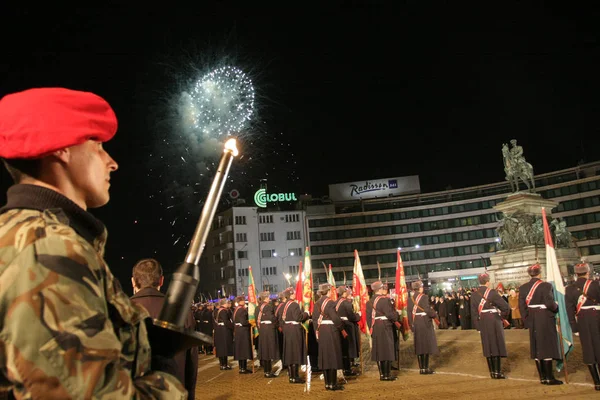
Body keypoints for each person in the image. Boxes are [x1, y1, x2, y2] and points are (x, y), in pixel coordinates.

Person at [0, 88, 187, 398]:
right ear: (62, 148)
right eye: (98, 145)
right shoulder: (48, 249)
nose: (111, 162)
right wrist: (165, 381)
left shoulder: (25, 236)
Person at [130, 258, 199, 399]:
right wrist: (190, 393)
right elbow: (192, 359)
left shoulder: (120, 311)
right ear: (161, 281)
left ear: (133, 281)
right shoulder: (182, 310)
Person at [518, 263, 563, 385]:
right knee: (547, 345)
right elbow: (549, 303)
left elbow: (522, 307)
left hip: (532, 317)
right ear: (540, 273)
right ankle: (549, 377)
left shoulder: (523, 288)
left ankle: (542, 377)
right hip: (544, 317)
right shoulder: (545, 285)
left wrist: (527, 320)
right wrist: (556, 307)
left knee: (536, 345)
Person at [566, 262, 600, 391]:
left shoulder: (570, 288)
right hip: (597, 316)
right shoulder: (596, 284)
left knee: (588, 348)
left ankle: (597, 382)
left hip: (582, 319)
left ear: (576, 274)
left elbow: (570, 310)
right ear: (587, 272)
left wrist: (574, 328)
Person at [470, 273, 509, 379]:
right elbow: (505, 307)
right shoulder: (492, 292)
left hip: (482, 320)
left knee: (487, 345)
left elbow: (473, 313)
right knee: (496, 344)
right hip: (493, 320)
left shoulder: (474, 295)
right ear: (488, 281)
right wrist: (502, 317)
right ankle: (497, 372)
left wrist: (478, 326)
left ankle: (492, 372)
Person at [313, 283, 347, 391]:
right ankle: (333, 384)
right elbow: (335, 319)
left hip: (321, 331)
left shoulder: (317, 303)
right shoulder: (330, 303)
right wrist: (341, 327)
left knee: (325, 358)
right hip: (331, 331)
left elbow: (314, 320)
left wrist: (317, 332)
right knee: (332, 357)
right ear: (328, 291)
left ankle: (327, 384)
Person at [366, 281, 401, 381]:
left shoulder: (369, 302)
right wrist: (397, 315)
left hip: (375, 327)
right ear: (380, 289)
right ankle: (386, 375)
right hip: (385, 326)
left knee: (378, 351)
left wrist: (371, 328)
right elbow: (390, 314)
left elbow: (368, 319)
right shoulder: (384, 300)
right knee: (386, 350)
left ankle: (381, 374)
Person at [407, 280, 438, 374]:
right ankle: (425, 367)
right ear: (420, 288)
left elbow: (409, 313)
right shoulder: (424, 297)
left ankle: (421, 368)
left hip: (416, 322)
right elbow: (427, 309)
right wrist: (434, 314)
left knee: (419, 345)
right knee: (426, 345)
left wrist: (411, 325)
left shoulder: (410, 299)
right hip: (424, 322)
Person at [280, 288, 310, 383]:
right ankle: (295, 376)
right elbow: (298, 318)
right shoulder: (294, 304)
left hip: (287, 329)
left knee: (289, 353)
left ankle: (291, 376)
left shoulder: (283, 305)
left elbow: (280, 319)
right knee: (295, 352)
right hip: (294, 330)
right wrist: (306, 313)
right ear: (291, 295)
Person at [335, 285, 361, 376]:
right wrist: (358, 316)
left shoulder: (336, 302)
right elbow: (351, 316)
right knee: (348, 348)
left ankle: (344, 367)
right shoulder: (346, 303)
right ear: (344, 293)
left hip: (340, 326)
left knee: (343, 348)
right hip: (347, 327)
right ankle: (347, 369)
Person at [255, 291, 279, 377]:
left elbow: (256, 320)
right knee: (269, 351)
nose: (269, 299)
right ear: (265, 298)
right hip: (269, 330)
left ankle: (266, 371)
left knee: (265, 351)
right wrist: (277, 324)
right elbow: (272, 318)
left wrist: (260, 330)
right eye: (268, 297)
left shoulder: (257, 307)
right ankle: (268, 372)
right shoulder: (268, 307)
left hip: (262, 330)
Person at [233, 296, 253, 374]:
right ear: (240, 301)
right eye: (243, 300)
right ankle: (243, 368)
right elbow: (243, 322)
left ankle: (241, 367)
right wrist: (250, 323)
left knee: (240, 350)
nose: (244, 301)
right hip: (242, 331)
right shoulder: (241, 310)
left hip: (238, 330)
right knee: (243, 350)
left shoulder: (236, 309)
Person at [213, 298, 234, 370]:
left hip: (219, 330)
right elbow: (226, 322)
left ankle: (223, 364)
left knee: (221, 348)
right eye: (227, 303)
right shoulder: (223, 311)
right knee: (224, 348)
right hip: (223, 331)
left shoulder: (218, 310)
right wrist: (233, 327)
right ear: (225, 303)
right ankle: (224, 364)